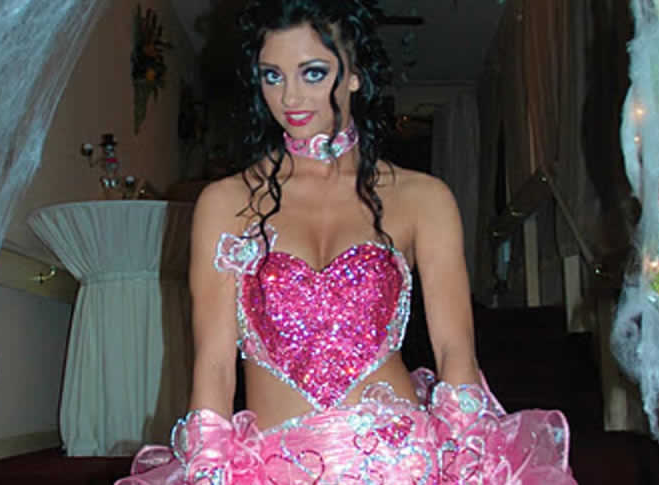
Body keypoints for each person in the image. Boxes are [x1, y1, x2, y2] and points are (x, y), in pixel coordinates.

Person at [116, 0, 576, 483]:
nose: (290, 97)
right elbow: (213, 364)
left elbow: (454, 352)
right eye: (272, 76)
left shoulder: (423, 198)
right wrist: (207, 468)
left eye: (312, 73)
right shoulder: (225, 202)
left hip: (402, 464)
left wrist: (470, 461)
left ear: (354, 74)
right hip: (274, 472)